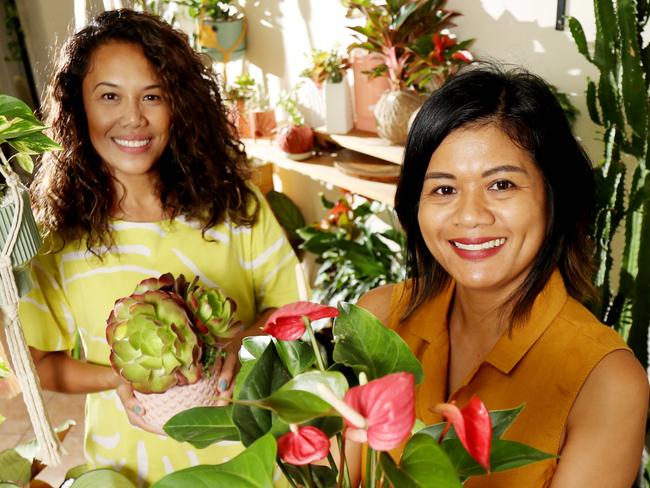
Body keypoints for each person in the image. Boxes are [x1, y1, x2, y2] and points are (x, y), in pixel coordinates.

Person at [19, 9, 302, 486]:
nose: (133, 118)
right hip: (132, 470)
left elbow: (293, 309)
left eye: (152, 95)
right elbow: (41, 364)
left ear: (179, 104)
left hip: (252, 463)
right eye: (109, 96)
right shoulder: (57, 239)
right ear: (78, 108)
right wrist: (118, 377)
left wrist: (243, 344)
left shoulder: (237, 207)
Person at [357, 64, 648, 487]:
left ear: (555, 196)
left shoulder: (606, 383)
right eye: (443, 189)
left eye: (502, 185)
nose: (471, 215)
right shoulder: (377, 319)